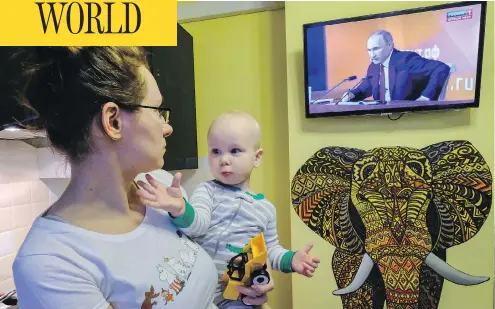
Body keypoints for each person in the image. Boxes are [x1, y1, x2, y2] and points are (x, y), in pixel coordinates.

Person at [11, 47, 273, 309]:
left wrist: (246, 292)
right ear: (113, 122)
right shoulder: (51, 263)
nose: (167, 127)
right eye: (158, 110)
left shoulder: (161, 190)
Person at [135, 111, 321, 309]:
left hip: (239, 292)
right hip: (201, 287)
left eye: (234, 151)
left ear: (257, 158)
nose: (224, 159)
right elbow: (198, 225)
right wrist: (180, 209)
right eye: (216, 151)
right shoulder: (207, 191)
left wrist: (292, 259)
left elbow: (271, 250)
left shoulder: (266, 209)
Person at [341, 30, 451, 103]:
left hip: (407, 117)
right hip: (379, 118)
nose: (372, 54)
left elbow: (441, 68)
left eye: (376, 49)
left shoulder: (406, 60)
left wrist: (426, 96)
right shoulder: (373, 67)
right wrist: (351, 95)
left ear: (390, 45)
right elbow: (365, 88)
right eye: (369, 50)